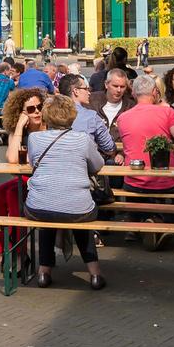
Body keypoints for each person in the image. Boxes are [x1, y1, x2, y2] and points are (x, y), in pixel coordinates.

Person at [23, 92, 107, 289]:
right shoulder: (83, 139)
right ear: (72, 115)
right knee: (79, 214)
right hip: (78, 209)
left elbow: (32, 163)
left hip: (38, 208)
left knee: (48, 214)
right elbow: (98, 165)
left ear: (46, 116)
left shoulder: (35, 139)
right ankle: (95, 274)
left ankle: (44, 271)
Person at [0, 87, 47, 273]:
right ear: (21, 113)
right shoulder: (18, 130)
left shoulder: (49, 127)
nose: (36, 111)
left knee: (13, 195)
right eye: (30, 109)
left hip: (42, 180)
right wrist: (19, 127)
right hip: (24, 178)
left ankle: (21, 253)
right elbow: (12, 159)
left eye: (39, 106)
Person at [115, 74, 174, 194]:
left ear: (133, 93)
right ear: (155, 92)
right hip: (167, 181)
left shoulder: (122, 118)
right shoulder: (168, 112)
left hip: (133, 182)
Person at [58, 73, 117, 159]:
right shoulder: (91, 117)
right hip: (83, 167)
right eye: (86, 89)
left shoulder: (50, 114)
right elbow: (109, 147)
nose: (89, 93)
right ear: (76, 91)